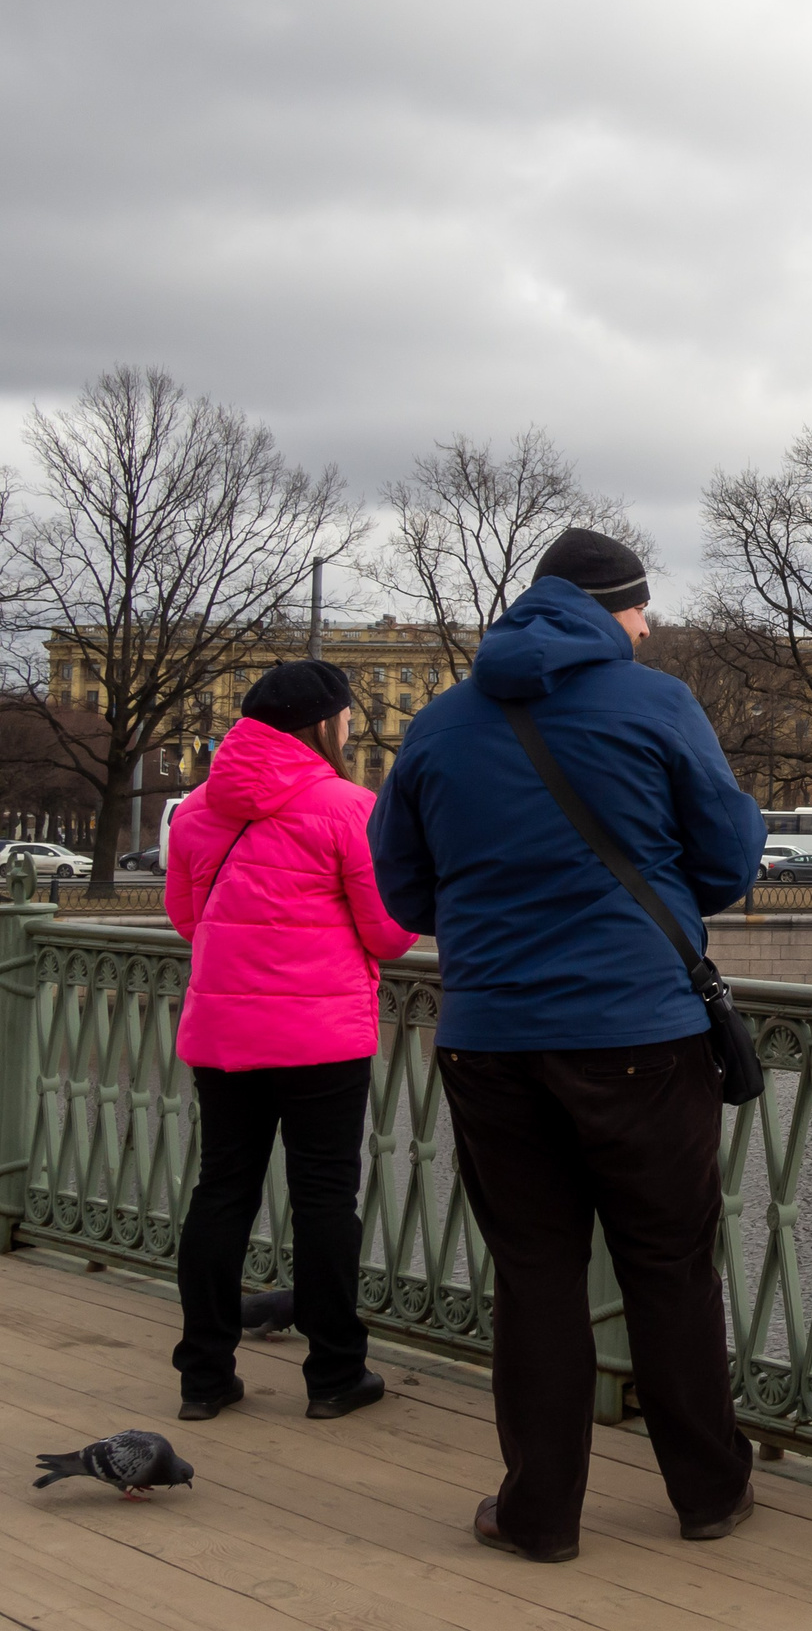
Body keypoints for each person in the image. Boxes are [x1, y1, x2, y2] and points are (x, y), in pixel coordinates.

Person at [369, 529, 764, 1564]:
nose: (648, 629)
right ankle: (709, 1490)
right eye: (640, 610)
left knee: (535, 1274)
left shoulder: (439, 723)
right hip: (641, 1032)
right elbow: (727, 862)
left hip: (489, 1039)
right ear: (612, 610)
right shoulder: (657, 704)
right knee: (669, 1265)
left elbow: (401, 890)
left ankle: (539, 1514)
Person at [166, 659, 417, 1424]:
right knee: (324, 1199)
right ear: (323, 725)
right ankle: (335, 1374)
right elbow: (388, 933)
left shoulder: (197, 811)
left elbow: (188, 919)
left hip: (223, 1033)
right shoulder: (349, 807)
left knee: (221, 1192)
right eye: (346, 717)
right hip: (320, 1038)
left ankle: (204, 1376)